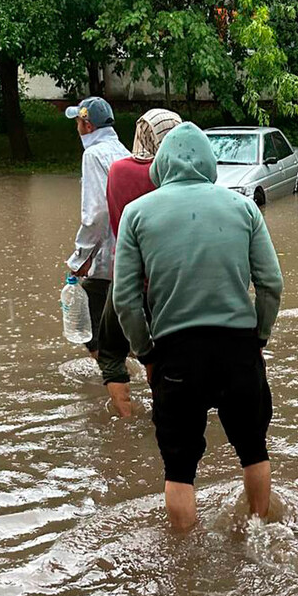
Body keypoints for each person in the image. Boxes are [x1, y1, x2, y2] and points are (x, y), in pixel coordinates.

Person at [112, 123, 284, 531]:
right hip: (238, 347)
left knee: (179, 467)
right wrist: (258, 338)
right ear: (209, 162)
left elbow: (125, 299)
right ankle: (258, 531)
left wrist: (147, 353)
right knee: (254, 449)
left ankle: (184, 567)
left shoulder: (137, 213)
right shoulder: (243, 207)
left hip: (174, 353)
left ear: (162, 165)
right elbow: (272, 284)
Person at [99, 108, 184, 417]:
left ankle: (125, 421)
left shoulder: (118, 171)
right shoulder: (177, 178)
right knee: (169, 355)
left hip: (127, 279)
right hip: (170, 284)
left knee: (111, 353)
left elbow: (114, 223)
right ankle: (166, 415)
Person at [64, 97, 131, 409]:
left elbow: (96, 214)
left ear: (87, 124)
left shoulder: (93, 154)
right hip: (133, 254)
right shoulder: (124, 151)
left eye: (77, 122)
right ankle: (126, 372)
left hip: (108, 257)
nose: (76, 128)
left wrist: (80, 259)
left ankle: (121, 399)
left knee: (86, 324)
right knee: (125, 320)